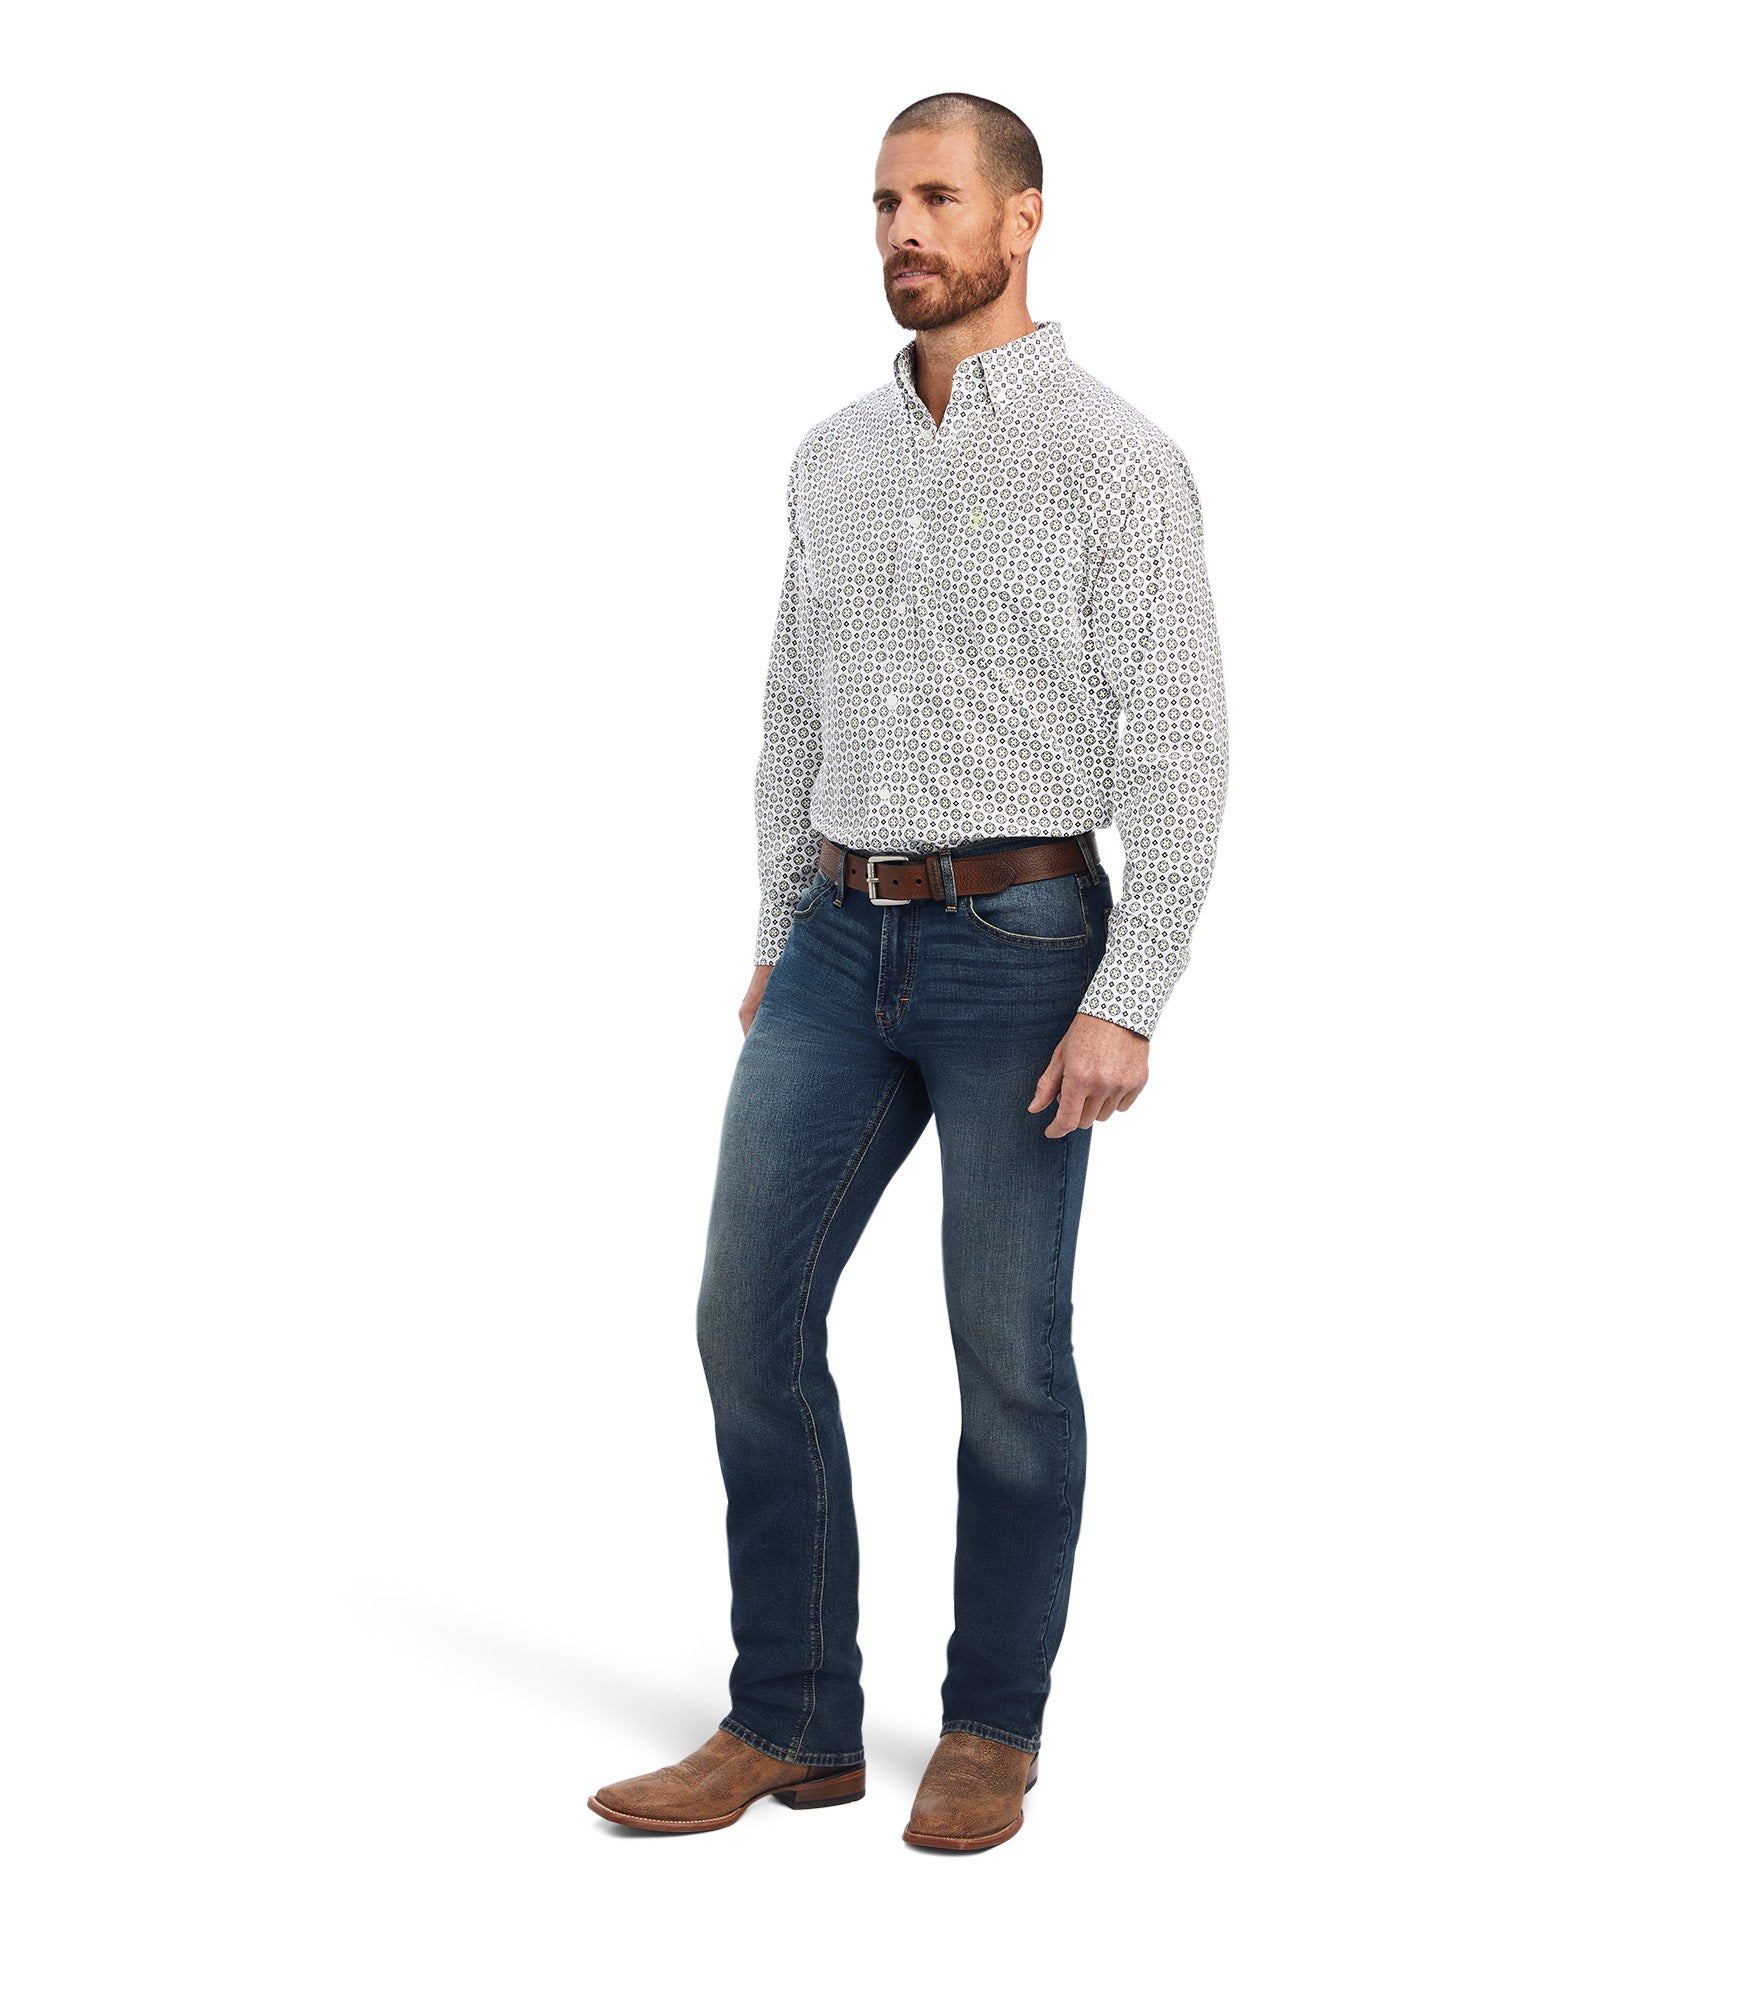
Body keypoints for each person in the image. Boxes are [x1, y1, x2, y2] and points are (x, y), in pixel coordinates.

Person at [588, 91, 1227, 1852]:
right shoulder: (833, 454)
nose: (903, 232)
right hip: (833, 943)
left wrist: (1130, 995)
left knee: (1007, 1352)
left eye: (938, 198)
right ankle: (792, 1717)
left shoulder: (1118, 459)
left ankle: (991, 1727)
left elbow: (1179, 744)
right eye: (883, 203)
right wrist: (775, 930)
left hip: (1026, 951)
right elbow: (790, 706)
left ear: (1024, 219)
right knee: (745, 1315)